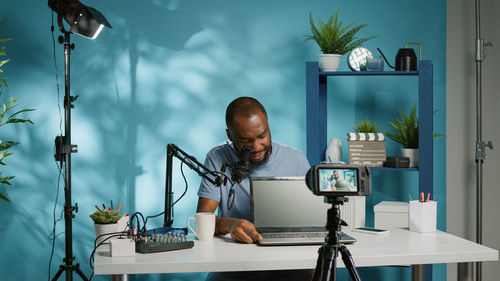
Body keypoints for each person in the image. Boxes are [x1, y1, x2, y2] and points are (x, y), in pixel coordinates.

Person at [197, 96, 312, 280]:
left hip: (288, 263)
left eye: (262, 136)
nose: (257, 147)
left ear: (268, 126)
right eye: (246, 141)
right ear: (230, 136)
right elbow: (202, 220)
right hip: (235, 263)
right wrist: (230, 225)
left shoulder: (296, 159)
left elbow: (314, 220)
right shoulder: (217, 157)